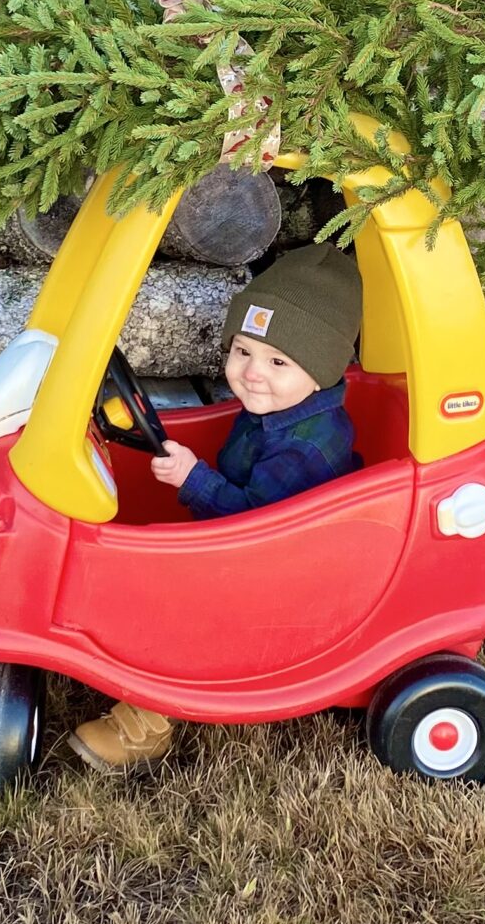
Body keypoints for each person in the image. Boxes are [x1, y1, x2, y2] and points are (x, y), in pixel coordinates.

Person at [68, 243, 363, 776]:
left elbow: (255, 529)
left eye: (278, 361)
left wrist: (195, 480)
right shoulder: (275, 405)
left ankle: (148, 722)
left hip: (283, 574)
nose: (252, 373)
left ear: (321, 371)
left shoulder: (305, 446)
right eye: (242, 351)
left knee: (181, 604)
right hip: (265, 547)